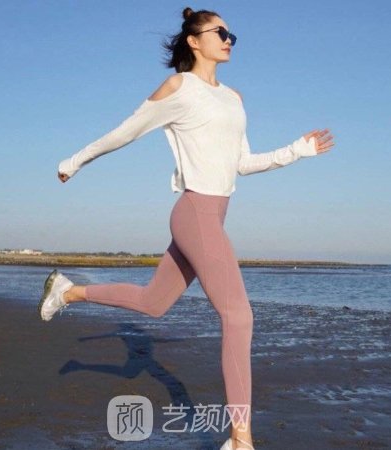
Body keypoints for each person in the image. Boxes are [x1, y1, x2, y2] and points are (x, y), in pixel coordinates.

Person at [38, 6, 334, 450]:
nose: (229, 40)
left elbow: (241, 163)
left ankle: (68, 291)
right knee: (239, 316)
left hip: (213, 215)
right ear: (194, 41)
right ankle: (241, 438)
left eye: (232, 35)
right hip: (194, 212)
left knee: (154, 303)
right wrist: (75, 160)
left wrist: (296, 151)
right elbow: (126, 131)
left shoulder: (233, 98)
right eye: (220, 33)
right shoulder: (180, 87)